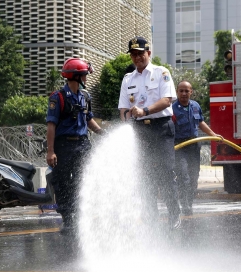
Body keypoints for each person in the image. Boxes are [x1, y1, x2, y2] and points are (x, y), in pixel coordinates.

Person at [118, 36, 181, 229]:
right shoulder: (128, 79)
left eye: (140, 54)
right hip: (140, 131)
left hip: (161, 127)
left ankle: (174, 213)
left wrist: (144, 111)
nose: (137, 58)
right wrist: (126, 118)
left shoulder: (161, 72)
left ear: (148, 53)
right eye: (133, 55)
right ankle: (151, 217)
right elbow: (123, 109)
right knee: (145, 175)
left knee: (166, 171)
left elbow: (167, 100)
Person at [46, 57, 104, 233]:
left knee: (81, 180)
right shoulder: (58, 97)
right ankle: (67, 217)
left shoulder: (85, 96)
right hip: (63, 146)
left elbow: (88, 120)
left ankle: (79, 214)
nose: (86, 78)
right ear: (76, 76)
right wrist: (50, 152)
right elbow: (51, 125)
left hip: (83, 145)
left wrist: (102, 133)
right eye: (84, 75)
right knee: (63, 182)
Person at [172, 80, 222, 215]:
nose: (183, 93)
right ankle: (184, 204)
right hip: (179, 146)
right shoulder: (171, 108)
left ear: (191, 92)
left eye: (186, 91)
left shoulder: (195, 106)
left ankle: (189, 202)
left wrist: (213, 134)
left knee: (194, 177)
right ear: (177, 92)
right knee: (183, 175)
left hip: (194, 145)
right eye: (181, 91)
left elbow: (200, 122)